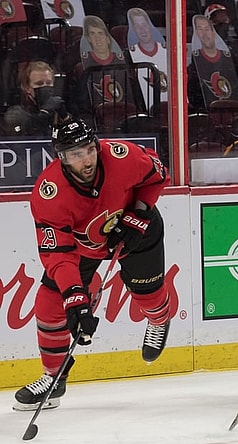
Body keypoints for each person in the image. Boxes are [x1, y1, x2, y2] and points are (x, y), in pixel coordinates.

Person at [13, 118, 175, 411]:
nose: (86, 159)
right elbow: (58, 254)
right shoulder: (49, 194)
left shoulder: (122, 157)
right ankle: (54, 377)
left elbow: (157, 175)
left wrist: (138, 214)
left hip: (135, 232)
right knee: (50, 304)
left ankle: (159, 319)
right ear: (61, 157)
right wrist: (76, 299)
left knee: (147, 294)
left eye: (89, 149)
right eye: (76, 154)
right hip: (82, 248)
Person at [3, 61, 68, 136]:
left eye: (48, 83)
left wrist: (65, 117)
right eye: (39, 84)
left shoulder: (57, 111)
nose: (45, 86)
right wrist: (45, 112)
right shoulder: (16, 113)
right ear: (27, 88)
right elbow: (28, 132)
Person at [127, 7, 169, 112]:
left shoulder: (166, 51)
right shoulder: (130, 55)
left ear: (150, 26)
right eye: (137, 26)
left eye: (144, 25)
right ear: (133, 29)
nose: (142, 30)